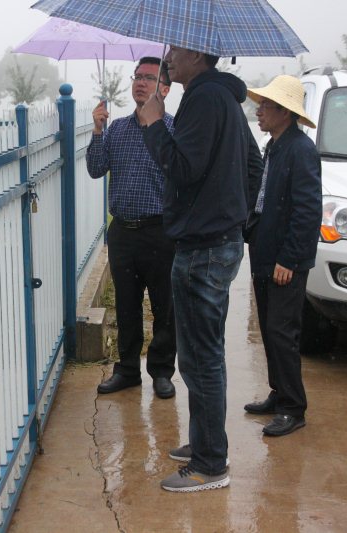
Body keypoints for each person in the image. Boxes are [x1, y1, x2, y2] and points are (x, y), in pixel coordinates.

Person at [137, 47, 263, 492]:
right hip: (216, 240)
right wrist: (233, 217)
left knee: (200, 358)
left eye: (176, 49)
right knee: (202, 354)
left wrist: (154, 124)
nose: (169, 57)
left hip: (203, 247)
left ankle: (210, 463)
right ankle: (206, 441)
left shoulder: (204, 98)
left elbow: (181, 168)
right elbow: (253, 164)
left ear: (197, 53)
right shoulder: (223, 97)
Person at [86, 56, 177, 399]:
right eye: (137, 76)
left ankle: (162, 371)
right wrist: (98, 130)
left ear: (164, 89)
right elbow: (96, 168)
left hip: (161, 231)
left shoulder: (173, 130)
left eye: (149, 78)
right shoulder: (118, 129)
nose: (140, 82)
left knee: (164, 306)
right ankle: (127, 369)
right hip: (123, 231)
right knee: (126, 305)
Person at [242, 75, 322, 437]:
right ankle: (279, 392)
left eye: (266, 106)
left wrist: (289, 259)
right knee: (269, 327)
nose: (259, 111)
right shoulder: (274, 145)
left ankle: (293, 407)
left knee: (282, 330)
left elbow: (307, 210)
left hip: (284, 257)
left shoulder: (300, 150)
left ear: (284, 112)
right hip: (265, 248)